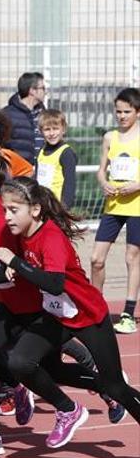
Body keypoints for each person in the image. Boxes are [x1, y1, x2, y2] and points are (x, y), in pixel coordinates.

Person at [0, 177, 140, 448]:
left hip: (88, 315)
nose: (7, 216)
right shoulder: (22, 236)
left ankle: (109, 387)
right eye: (4, 209)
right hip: (56, 315)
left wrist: (14, 261)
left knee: (116, 388)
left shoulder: (50, 236)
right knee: (21, 363)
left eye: (14, 210)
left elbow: (54, 283)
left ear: (35, 209)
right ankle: (69, 409)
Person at [91, 87, 140, 334]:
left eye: (127, 112)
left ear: (137, 112)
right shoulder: (110, 137)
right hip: (113, 205)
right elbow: (102, 169)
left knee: (132, 257)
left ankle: (128, 313)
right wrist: (104, 183)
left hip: (137, 206)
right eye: (118, 111)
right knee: (96, 259)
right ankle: (95, 307)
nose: (121, 116)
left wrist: (136, 185)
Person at [35, 109, 78, 208]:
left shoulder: (66, 153)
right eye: (47, 129)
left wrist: (64, 208)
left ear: (63, 129)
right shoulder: (41, 151)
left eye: (55, 128)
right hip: (41, 203)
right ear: (41, 131)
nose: (52, 133)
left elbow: (70, 184)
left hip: (57, 206)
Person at [3, 72, 47, 165]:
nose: (45, 92)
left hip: (43, 171)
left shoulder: (43, 114)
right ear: (32, 91)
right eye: (43, 88)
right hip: (19, 173)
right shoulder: (8, 114)